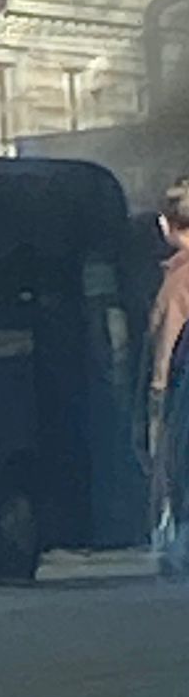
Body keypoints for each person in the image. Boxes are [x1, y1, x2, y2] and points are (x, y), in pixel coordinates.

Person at [150, 178, 189, 577]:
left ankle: (178, 548)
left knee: (175, 469)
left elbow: (168, 346)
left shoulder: (179, 281)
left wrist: (157, 398)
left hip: (181, 394)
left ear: (166, 225)